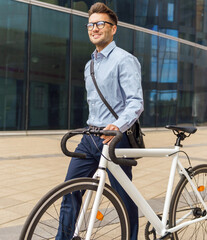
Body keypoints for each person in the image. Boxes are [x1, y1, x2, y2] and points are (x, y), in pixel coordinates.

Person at [56, 2, 144, 240]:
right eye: (90, 24)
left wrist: (117, 126)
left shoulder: (124, 60)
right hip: (90, 137)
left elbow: (135, 102)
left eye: (100, 24)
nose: (94, 28)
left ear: (113, 29)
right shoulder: (90, 65)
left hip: (116, 138)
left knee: (124, 198)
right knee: (70, 192)